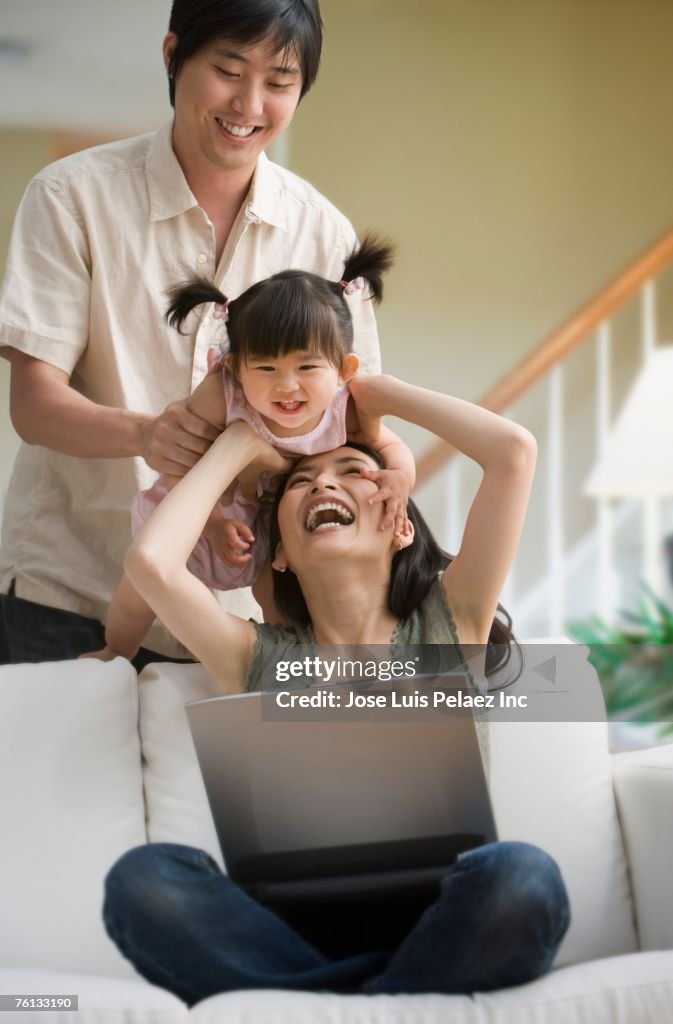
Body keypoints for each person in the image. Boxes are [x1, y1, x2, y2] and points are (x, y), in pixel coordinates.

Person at [102, 374, 571, 1001]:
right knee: (146, 879)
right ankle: (384, 1004)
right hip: (287, 935)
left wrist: (368, 395)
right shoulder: (256, 658)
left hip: (440, 923)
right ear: (280, 557)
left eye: (353, 472)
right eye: (300, 483)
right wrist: (241, 443)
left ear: (399, 522)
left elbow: (513, 451)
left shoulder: (448, 621)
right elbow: (152, 564)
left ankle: (322, 1006)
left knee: (521, 876)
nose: (323, 482)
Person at [0, 0, 380, 669]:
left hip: (227, 614)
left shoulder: (324, 235)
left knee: (215, 781)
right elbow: (32, 406)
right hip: (64, 593)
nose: (249, 103)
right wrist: (146, 435)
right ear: (174, 56)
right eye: (228, 70)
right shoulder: (71, 196)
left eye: (279, 81)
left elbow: (348, 425)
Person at [86, 236, 415, 661]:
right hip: (202, 513)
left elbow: (389, 446)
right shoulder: (220, 397)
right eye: (265, 368)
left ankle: (294, 668)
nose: (287, 385)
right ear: (235, 369)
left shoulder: (347, 410)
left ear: (344, 369)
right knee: (138, 590)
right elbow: (182, 466)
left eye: (308, 366)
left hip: (268, 526)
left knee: (276, 597)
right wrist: (211, 525)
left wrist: (400, 478)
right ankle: (115, 651)